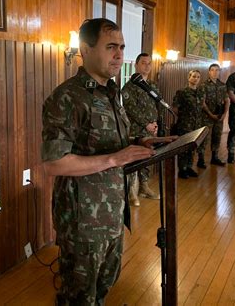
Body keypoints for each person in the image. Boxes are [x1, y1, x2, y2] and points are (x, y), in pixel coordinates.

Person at [42, 18, 159, 305]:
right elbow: (54, 164)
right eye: (110, 47)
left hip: (112, 212)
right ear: (85, 49)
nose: (119, 55)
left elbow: (110, 139)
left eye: (121, 47)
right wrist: (114, 158)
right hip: (83, 221)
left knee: (105, 284)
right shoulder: (68, 97)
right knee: (79, 295)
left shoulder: (111, 92)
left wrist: (141, 142)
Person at [121, 53, 161, 205]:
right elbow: (130, 108)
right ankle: (132, 192)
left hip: (150, 130)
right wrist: (146, 124)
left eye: (149, 63)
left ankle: (144, 187)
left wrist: (155, 123)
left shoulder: (152, 86)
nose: (147, 66)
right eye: (143, 63)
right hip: (135, 130)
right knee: (134, 159)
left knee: (146, 158)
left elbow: (156, 106)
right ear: (136, 65)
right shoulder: (129, 87)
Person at [173, 70, 205, 179]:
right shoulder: (182, 92)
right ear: (189, 78)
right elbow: (175, 108)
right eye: (194, 76)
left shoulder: (201, 92)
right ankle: (182, 169)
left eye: (198, 77)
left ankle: (189, 167)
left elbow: (201, 107)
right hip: (185, 125)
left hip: (197, 124)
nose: (196, 79)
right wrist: (184, 117)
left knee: (193, 146)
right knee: (184, 146)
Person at [197, 63, 230, 167]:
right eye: (213, 70)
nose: (215, 72)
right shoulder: (203, 85)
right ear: (209, 72)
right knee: (204, 137)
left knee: (217, 136)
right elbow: (202, 103)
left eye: (217, 70)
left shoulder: (223, 85)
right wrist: (211, 115)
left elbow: (227, 100)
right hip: (207, 116)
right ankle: (201, 159)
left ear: (219, 72)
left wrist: (225, 113)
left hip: (219, 116)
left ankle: (215, 157)